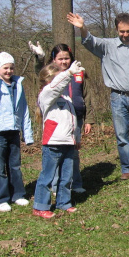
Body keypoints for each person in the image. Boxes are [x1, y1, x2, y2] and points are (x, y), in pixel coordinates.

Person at [66, 12, 129, 181]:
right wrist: (83, 28)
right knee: (122, 135)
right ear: (116, 29)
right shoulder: (107, 46)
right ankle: (127, 167)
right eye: (122, 31)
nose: (125, 35)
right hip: (118, 97)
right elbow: (90, 41)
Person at [28, 42, 93, 193]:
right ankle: (56, 184)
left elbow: (87, 96)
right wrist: (39, 58)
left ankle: (75, 183)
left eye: (67, 58)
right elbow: (40, 72)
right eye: (60, 59)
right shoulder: (52, 74)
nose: (64, 62)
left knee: (73, 154)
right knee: (57, 155)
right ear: (53, 60)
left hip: (76, 117)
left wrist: (89, 118)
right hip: (57, 122)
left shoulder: (78, 72)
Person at [33, 61, 84, 218]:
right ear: (49, 80)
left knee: (66, 176)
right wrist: (68, 73)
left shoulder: (66, 99)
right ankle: (40, 206)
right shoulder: (46, 95)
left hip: (68, 143)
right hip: (53, 143)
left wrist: (76, 138)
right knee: (47, 176)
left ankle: (64, 202)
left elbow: (72, 120)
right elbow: (55, 86)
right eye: (56, 78)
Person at [0, 52, 33, 212]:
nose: (8, 71)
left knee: (14, 165)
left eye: (11, 68)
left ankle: (17, 194)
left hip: (14, 131)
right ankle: (0, 198)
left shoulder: (18, 85)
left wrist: (27, 134)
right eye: (5, 68)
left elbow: (24, 111)